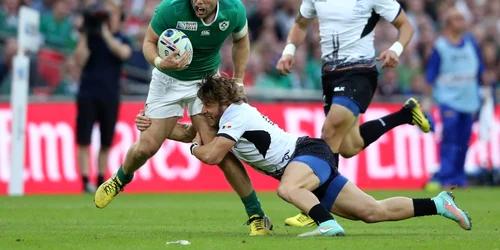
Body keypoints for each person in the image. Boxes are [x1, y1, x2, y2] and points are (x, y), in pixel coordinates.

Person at [137, 75, 472, 237]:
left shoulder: (234, 115)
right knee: (372, 211)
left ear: (220, 102)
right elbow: (186, 131)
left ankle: (326, 223)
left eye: (206, 106)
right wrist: (154, 127)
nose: (203, 113)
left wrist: (194, 145)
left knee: (286, 189)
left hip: (307, 154)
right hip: (309, 160)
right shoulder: (226, 116)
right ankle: (439, 204)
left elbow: (209, 155)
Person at [94, 0, 273, 236]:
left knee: (216, 150)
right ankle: (120, 178)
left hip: (205, 81)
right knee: (146, 147)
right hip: (167, 80)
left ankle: (256, 215)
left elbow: (241, 41)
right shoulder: (171, 8)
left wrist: (239, 81)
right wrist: (160, 62)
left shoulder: (234, 10)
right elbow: (149, 42)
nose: (197, 2)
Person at [275, 0, 433, 226]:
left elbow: (406, 26)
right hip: (330, 75)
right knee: (349, 146)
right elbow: (300, 24)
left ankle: (316, 206)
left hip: (360, 73)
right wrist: (288, 52)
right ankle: (406, 115)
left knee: (329, 132)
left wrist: (395, 49)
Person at [422, 7, 488, 190]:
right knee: (450, 140)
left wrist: (485, 92)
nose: (463, 22)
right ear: (449, 23)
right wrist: (427, 99)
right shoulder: (440, 46)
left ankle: (459, 177)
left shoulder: (471, 43)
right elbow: (430, 75)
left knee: (464, 141)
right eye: (458, 19)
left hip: (469, 100)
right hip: (448, 100)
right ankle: (446, 177)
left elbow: (480, 70)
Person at [74, 0, 132, 193]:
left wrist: (106, 34)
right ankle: (84, 180)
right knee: (84, 139)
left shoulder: (122, 38)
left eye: (112, 14)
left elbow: (123, 53)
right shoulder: (90, 38)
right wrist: (85, 33)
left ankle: (100, 177)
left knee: (106, 141)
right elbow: (79, 60)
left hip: (110, 95)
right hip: (88, 93)